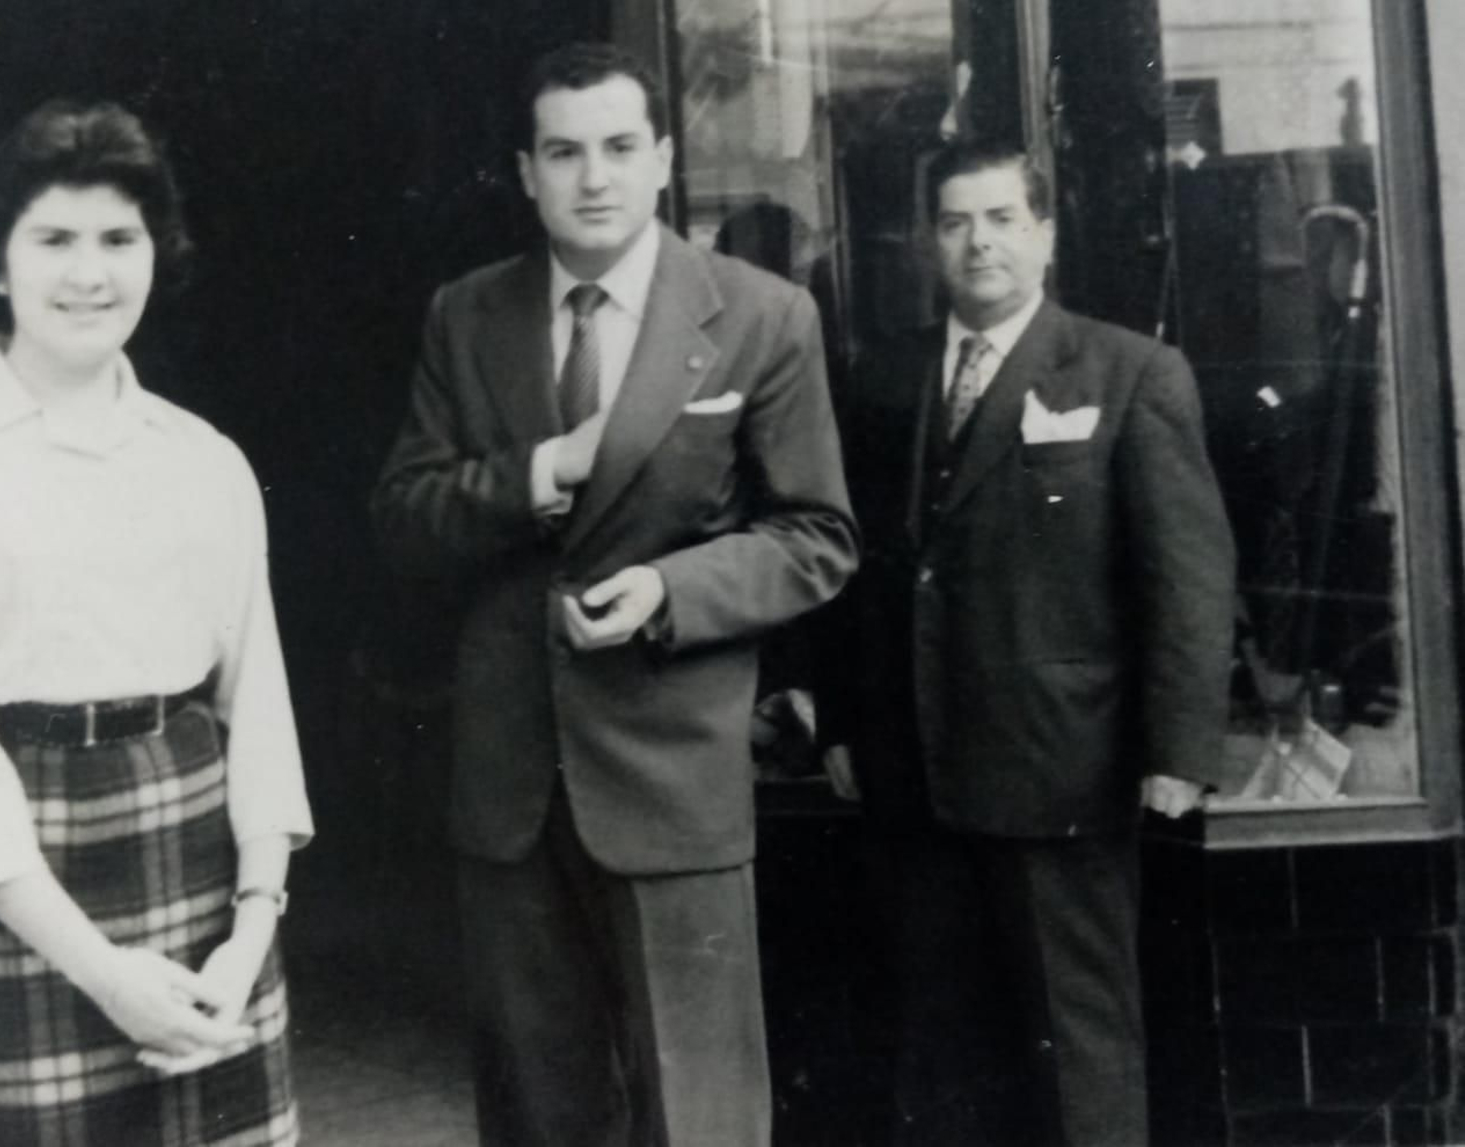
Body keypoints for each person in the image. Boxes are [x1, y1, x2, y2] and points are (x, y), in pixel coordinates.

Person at [370, 41, 857, 1147]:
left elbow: (816, 536)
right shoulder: (467, 314)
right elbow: (402, 518)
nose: (593, 177)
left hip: (671, 777)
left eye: (619, 148)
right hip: (510, 788)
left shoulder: (758, 315)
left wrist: (669, 590)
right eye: (564, 151)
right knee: (539, 1114)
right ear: (526, 171)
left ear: (663, 160)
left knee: (700, 1115)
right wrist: (538, 474)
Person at [0, 100, 313, 1145]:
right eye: (54, 240)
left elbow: (261, 712)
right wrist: (108, 977)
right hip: (18, 908)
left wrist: (251, 930)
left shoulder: (205, 461)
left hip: (203, 899)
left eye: (119, 239)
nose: (89, 274)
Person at [820, 138, 1235, 1146]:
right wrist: (840, 720)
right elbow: (856, 569)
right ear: (928, 240)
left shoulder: (1129, 371)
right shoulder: (885, 377)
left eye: (1002, 218)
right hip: (916, 769)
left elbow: (1186, 572)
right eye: (956, 221)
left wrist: (1178, 750)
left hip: (1064, 772)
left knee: (1078, 1041)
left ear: (1044, 233)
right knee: (938, 1041)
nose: (978, 243)